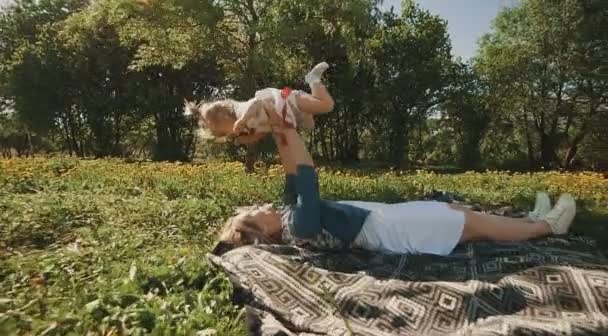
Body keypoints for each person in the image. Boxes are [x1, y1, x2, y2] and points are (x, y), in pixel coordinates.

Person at [214, 98, 577, 257]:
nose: (258, 205)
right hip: (393, 232)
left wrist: (280, 134)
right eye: (253, 213)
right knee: (469, 221)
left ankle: (529, 220)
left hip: (384, 217)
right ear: (262, 232)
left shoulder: (287, 214)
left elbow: (292, 177)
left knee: (452, 208)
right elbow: (307, 180)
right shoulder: (299, 227)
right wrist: (290, 132)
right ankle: (545, 227)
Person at [185, 62, 334, 145]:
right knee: (310, 127)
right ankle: (307, 108)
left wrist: (242, 119)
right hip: (290, 116)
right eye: (227, 133)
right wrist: (248, 138)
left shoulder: (242, 112)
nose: (234, 131)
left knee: (326, 105)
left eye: (226, 129)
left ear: (225, 114)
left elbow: (257, 102)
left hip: (286, 100)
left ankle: (312, 79)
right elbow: (260, 133)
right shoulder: (248, 128)